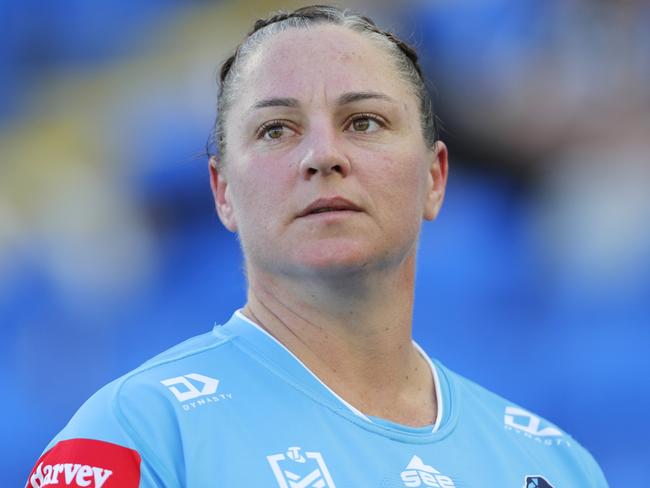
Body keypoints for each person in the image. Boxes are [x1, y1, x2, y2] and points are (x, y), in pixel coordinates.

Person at [26, 5, 608, 487]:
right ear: (223, 192)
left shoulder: (554, 464)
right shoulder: (137, 437)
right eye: (276, 130)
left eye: (364, 122)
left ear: (434, 178)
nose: (323, 156)